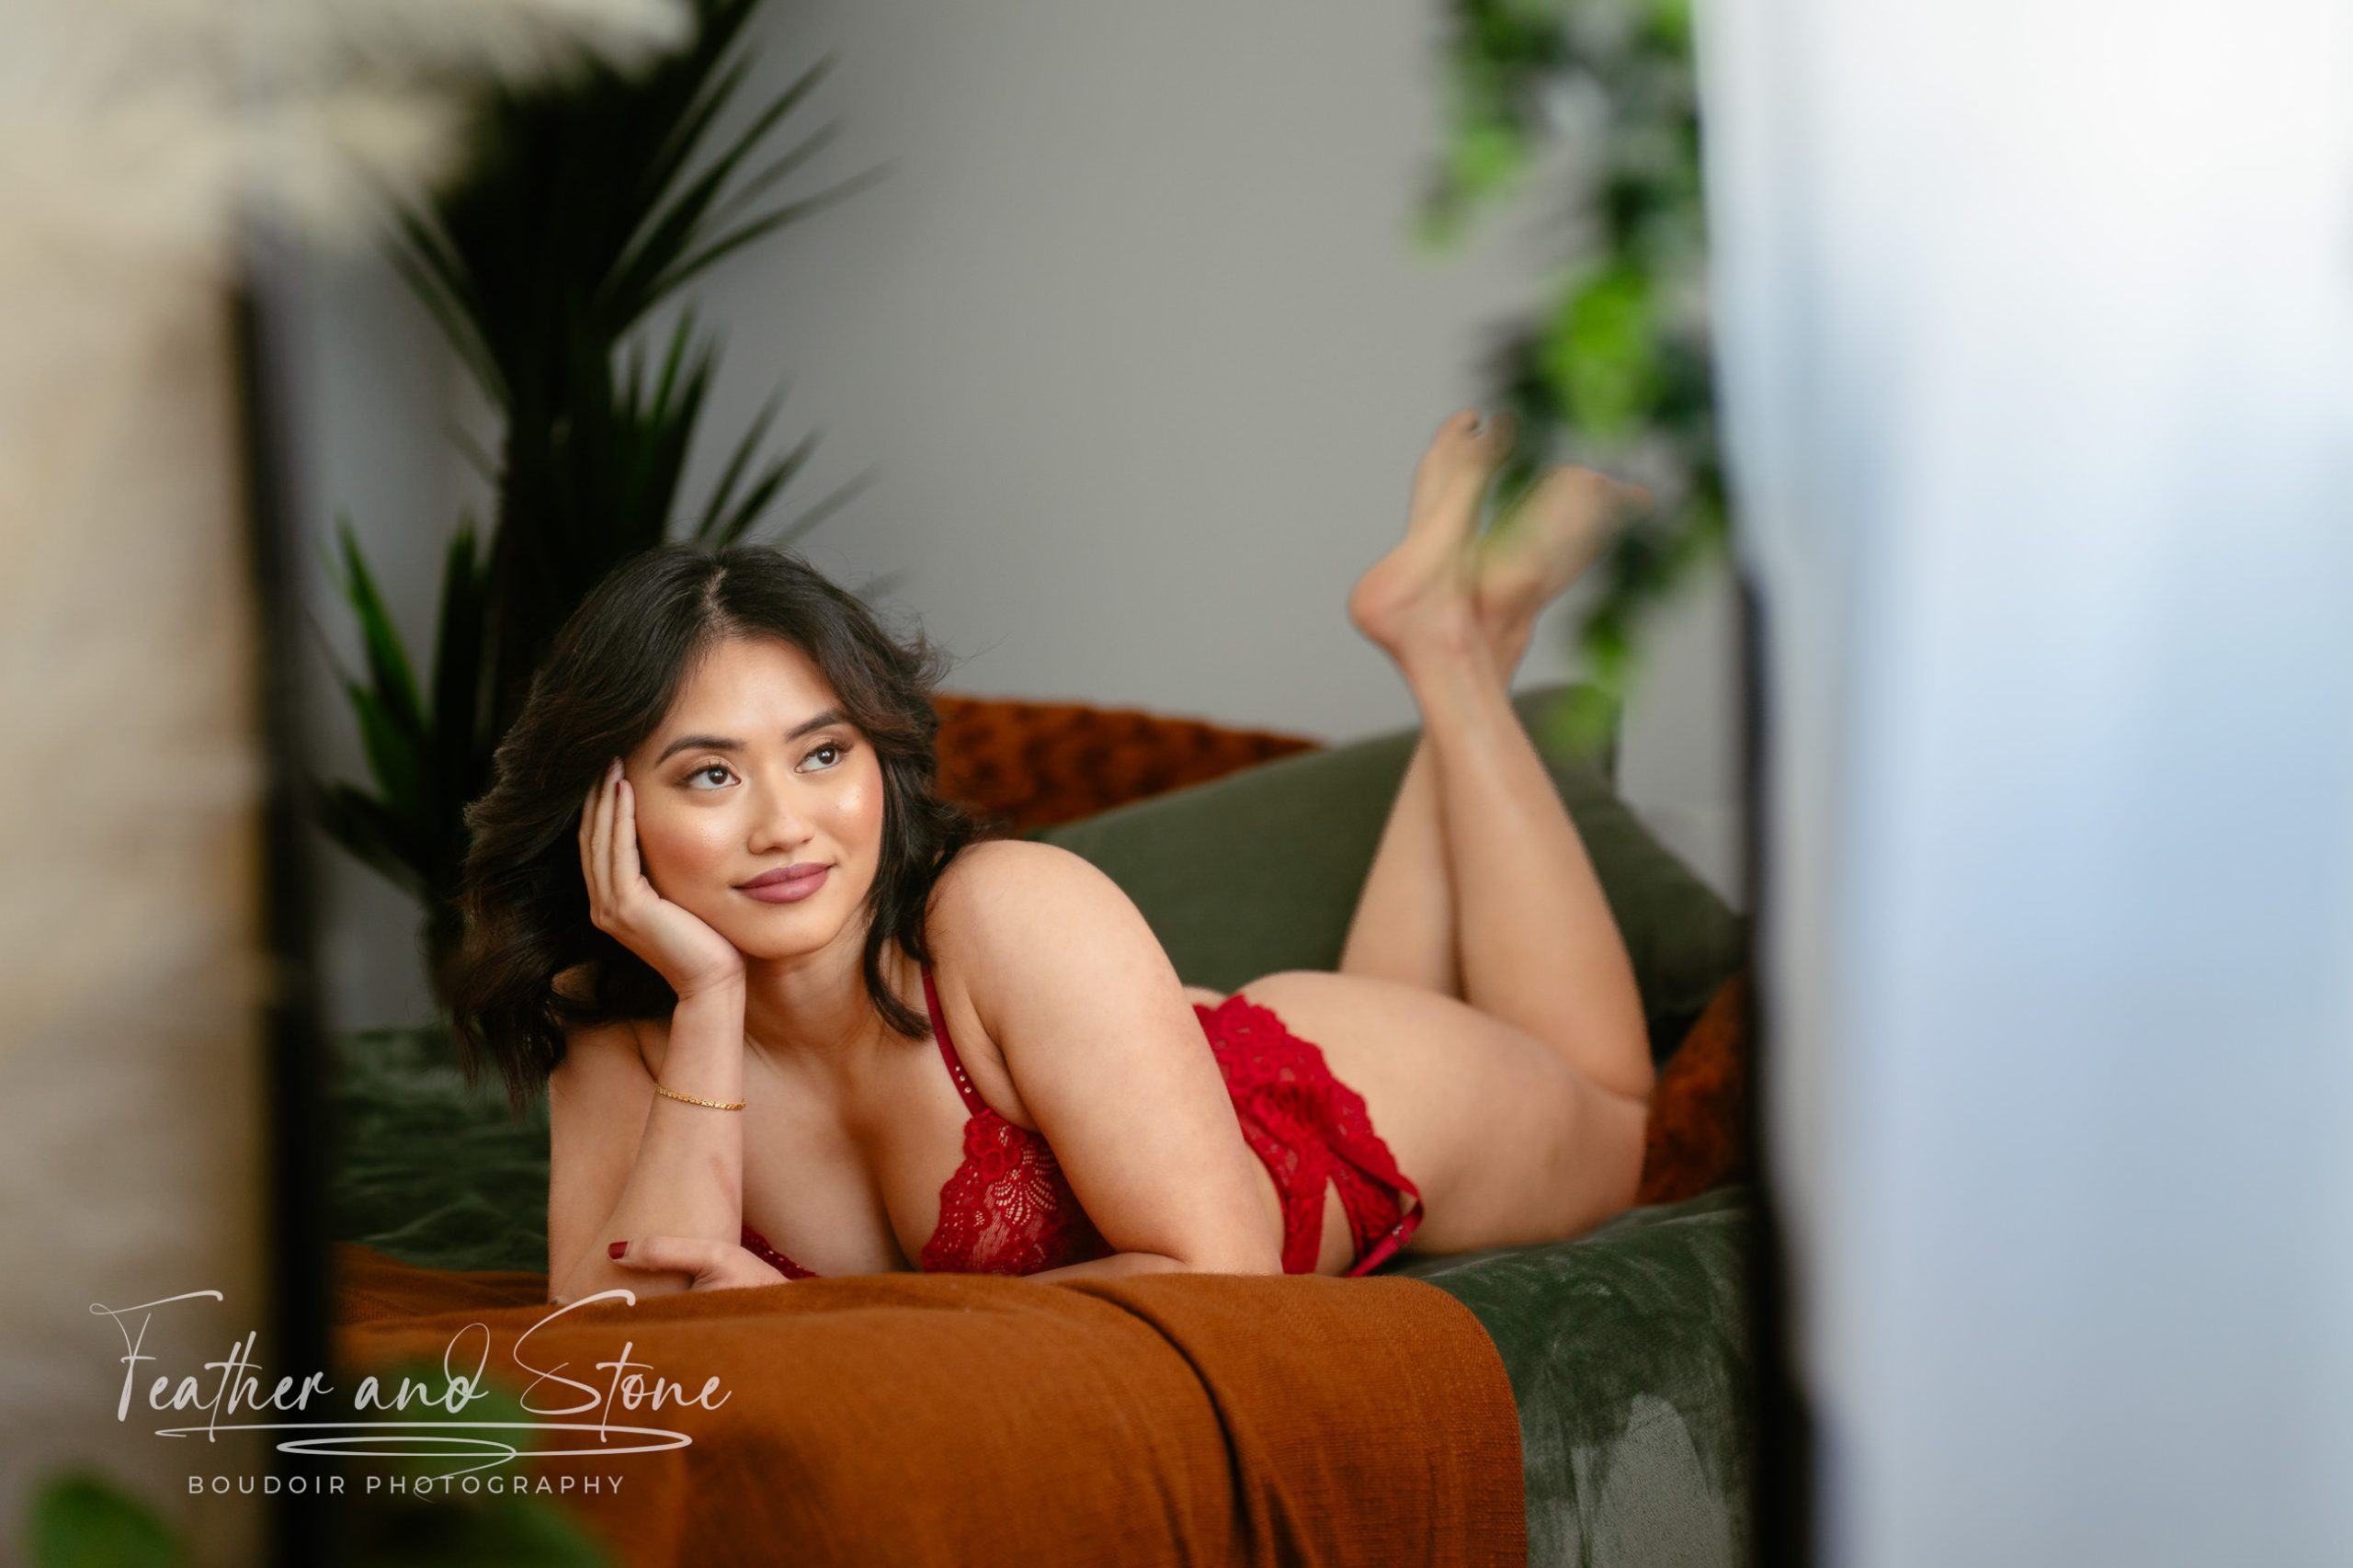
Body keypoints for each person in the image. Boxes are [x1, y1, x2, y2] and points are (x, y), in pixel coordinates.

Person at [445, 409, 1658, 1308]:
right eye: (710, 774)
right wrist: (707, 1001)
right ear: (610, 807)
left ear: (878, 759)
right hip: (1159, 1086)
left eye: (822, 754)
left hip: (1322, 1111)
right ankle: (1455, 628)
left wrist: (827, 1324)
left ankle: (1451, 657)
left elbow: (1226, 1272)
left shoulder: (1006, 908)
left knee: (1628, 1119)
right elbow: (614, 1338)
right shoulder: (620, 1021)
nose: (782, 824)